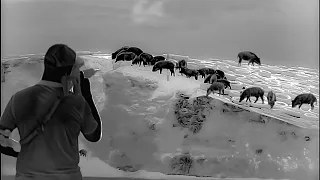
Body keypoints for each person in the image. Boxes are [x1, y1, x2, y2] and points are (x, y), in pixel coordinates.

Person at [0, 44, 102, 180]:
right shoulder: (76, 102)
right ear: (69, 73)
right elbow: (94, 135)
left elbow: (1, 139)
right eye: (76, 69)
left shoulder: (18, 98)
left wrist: (24, 152)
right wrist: (86, 95)